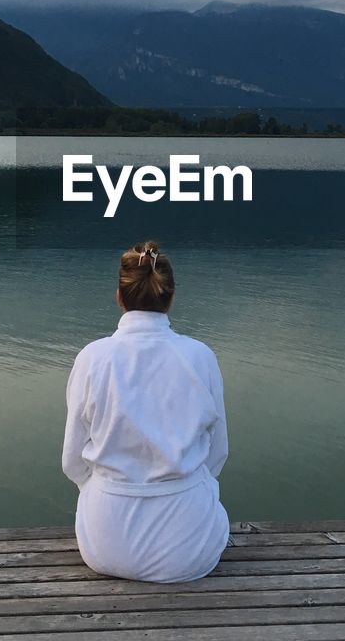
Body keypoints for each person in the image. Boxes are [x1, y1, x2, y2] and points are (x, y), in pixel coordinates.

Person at [62, 240, 230, 583]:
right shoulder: (200, 357)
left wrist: (111, 488)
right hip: (187, 552)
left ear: (120, 297)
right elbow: (218, 453)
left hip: (104, 546)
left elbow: (72, 462)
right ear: (170, 297)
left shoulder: (92, 358)